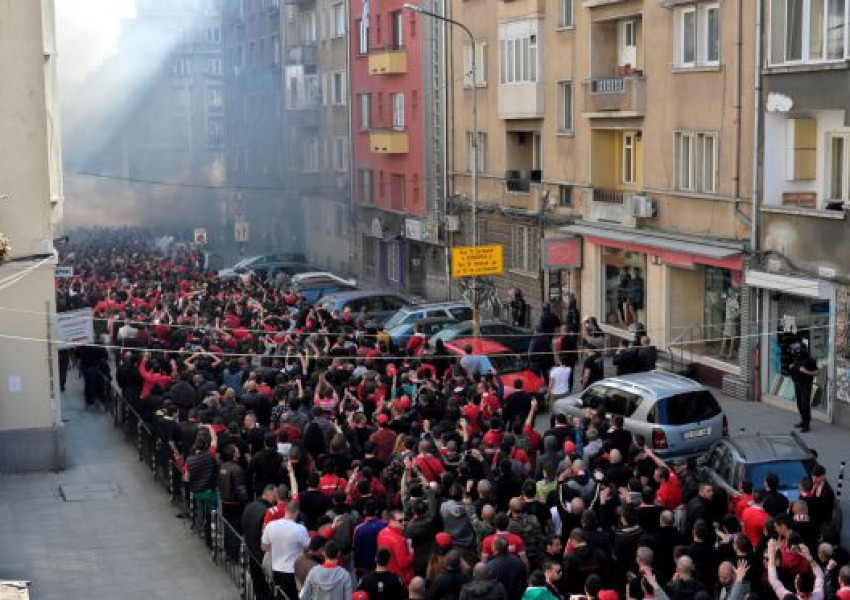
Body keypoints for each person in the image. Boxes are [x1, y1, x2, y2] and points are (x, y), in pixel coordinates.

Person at [262, 500, 311, 600]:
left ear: (285, 510)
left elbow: (264, 547)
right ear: (296, 512)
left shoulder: (271, 526)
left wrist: (277, 548)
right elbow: (307, 548)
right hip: (294, 572)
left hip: (277, 570)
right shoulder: (300, 529)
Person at [242, 485, 278, 600]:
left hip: (251, 549)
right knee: (265, 584)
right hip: (261, 553)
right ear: (269, 494)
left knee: (257, 581)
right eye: (275, 496)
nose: (276, 499)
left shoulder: (249, 506)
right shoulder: (267, 512)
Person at [791, 343, 819, 432]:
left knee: (805, 404)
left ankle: (807, 425)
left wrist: (805, 371)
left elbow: (817, 372)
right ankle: (802, 421)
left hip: (805, 385)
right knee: (799, 404)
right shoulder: (797, 358)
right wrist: (792, 367)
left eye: (796, 350)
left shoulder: (810, 360)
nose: (795, 352)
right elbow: (796, 368)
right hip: (797, 384)